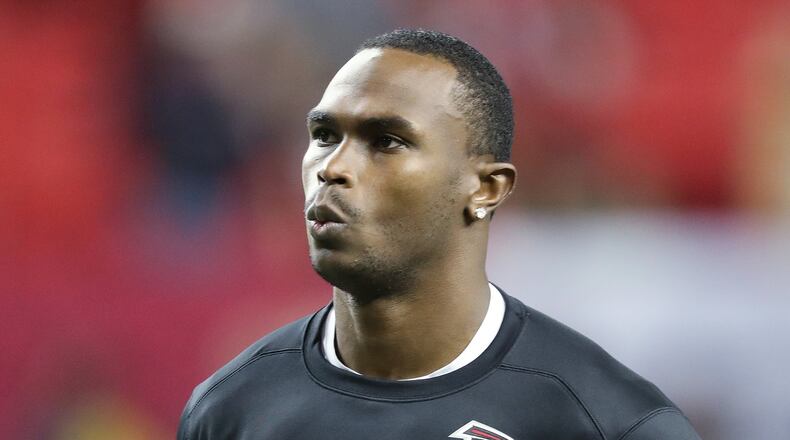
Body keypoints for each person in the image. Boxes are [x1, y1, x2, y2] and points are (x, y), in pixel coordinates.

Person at [177, 29, 701, 440]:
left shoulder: (608, 422)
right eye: (324, 135)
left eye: (386, 141)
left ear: (485, 189)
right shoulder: (229, 410)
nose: (332, 168)